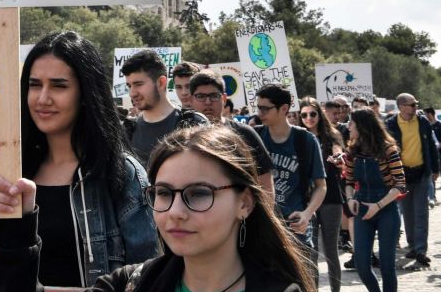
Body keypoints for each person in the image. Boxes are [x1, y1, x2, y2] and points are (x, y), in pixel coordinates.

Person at [0, 125, 320, 292]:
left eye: (199, 194)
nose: (175, 211)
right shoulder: (129, 289)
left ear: (244, 204)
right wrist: (17, 231)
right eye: (163, 193)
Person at [0, 31, 160, 292]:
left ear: (86, 93)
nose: (43, 98)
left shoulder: (122, 174)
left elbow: (147, 279)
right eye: (35, 85)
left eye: (59, 86)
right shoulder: (12, 174)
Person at [343, 109, 405, 292]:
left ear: (362, 126)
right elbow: (349, 181)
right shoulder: (353, 151)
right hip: (362, 208)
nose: (348, 127)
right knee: (361, 263)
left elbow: (400, 185)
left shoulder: (388, 150)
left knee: (387, 266)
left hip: (386, 209)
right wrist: (351, 198)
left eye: (351, 123)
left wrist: (378, 206)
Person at [254, 85, 326, 253]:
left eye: (265, 108)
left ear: (284, 108)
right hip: (263, 224)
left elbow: (321, 186)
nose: (260, 113)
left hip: (295, 226)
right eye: (258, 108)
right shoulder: (254, 136)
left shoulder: (306, 140)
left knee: (299, 278)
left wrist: (307, 214)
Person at [189, 71, 275, 201]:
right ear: (191, 100)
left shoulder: (245, 134)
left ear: (224, 99)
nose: (207, 102)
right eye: (200, 96)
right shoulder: (182, 137)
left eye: (214, 96)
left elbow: (265, 183)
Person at [121, 50, 207, 166]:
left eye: (138, 84)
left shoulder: (194, 124)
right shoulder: (127, 130)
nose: (132, 93)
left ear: (161, 83)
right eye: (129, 86)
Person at [298, 97, 344, 292]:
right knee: (311, 252)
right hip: (306, 200)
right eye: (304, 114)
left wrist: (338, 159)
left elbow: (338, 152)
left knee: (331, 250)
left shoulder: (331, 136)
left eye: (312, 114)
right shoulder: (298, 137)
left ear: (320, 115)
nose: (308, 118)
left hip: (331, 197)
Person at [384, 93, 440, 268]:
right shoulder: (390, 124)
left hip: (422, 173)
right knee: (407, 212)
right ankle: (413, 245)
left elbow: (431, 146)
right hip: (401, 175)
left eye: (416, 104)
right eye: (412, 105)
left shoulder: (423, 122)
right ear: (401, 107)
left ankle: (421, 249)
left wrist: (436, 169)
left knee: (421, 212)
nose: (416, 108)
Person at [422, 107, 441, 203]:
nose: (425, 116)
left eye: (426, 114)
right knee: (432, 175)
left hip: (440, 153)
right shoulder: (425, 125)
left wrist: (438, 146)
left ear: (430, 114)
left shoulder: (440, 125)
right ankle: (433, 197)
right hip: (430, 154)